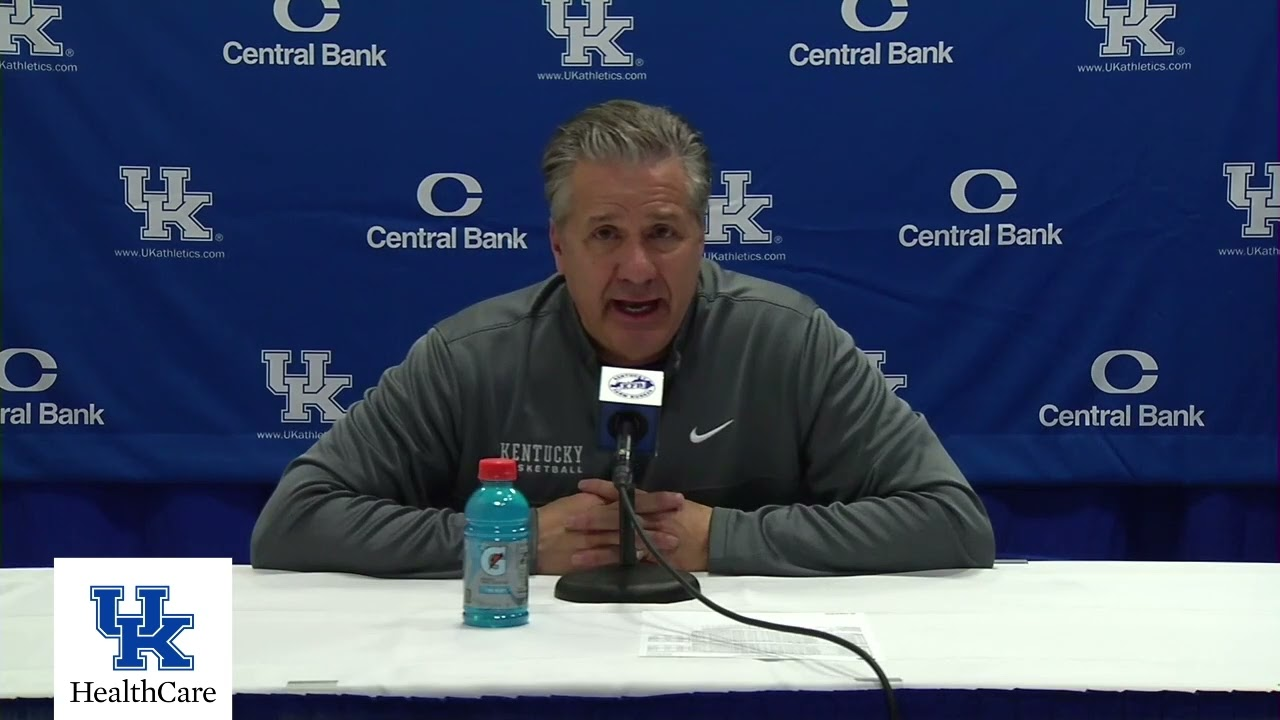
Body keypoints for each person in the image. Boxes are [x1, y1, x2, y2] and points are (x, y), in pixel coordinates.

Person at [250, 99, 996, 579]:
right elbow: (292, 523)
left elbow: (952, 523)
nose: (637, 269)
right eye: (605, 234)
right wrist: (511, 544)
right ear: (558, 247)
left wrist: (723, 541)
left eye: (663, 234)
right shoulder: (469, 356)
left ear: (704, 239)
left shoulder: (791, 342)